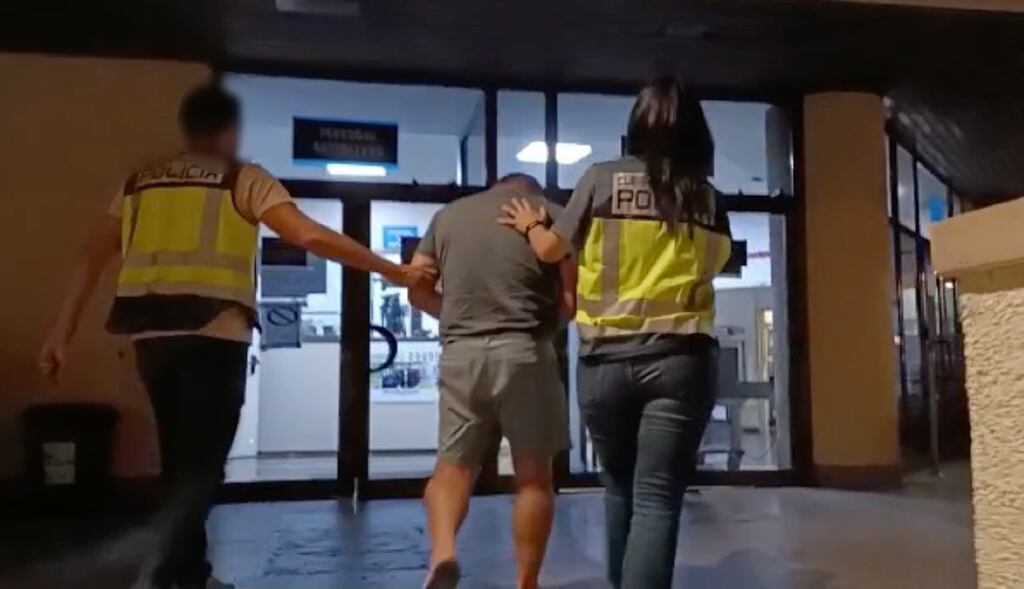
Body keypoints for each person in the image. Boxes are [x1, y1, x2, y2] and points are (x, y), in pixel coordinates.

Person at [37, 83, 433, 589]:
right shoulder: (240, 177)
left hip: (149, 337)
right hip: (213, 333)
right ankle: (154, 575)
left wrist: (61, 331)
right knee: (203, 469)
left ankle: (190, 574)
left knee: (180, 463)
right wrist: (391, 270)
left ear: (187, 129)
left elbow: (91, 253)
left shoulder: (138, 183)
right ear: (229, 131)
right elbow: (308, 235)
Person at [498, 78, 732, 589]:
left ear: (637, 125)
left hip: (604, 363)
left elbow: (551, 250)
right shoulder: (707, 198)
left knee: (619, 488)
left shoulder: (600, 180)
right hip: (680, 360)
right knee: (657, 497)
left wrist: (532, 224)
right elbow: (716, 265)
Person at [406, 174, 574, 589]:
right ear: (531, 192)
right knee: (533, 477)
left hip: (461, 354)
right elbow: (570, 302)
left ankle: (443, 552)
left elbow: (417, 288)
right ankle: (526, 582)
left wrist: (456, 317)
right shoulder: (553, 215)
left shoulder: (447, 217)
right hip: (525, 352)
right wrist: (541, 328)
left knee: (452, 470)